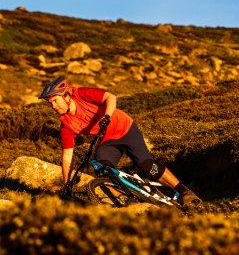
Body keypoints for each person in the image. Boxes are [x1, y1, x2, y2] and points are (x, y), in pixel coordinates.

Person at [39, 76, 201, 207]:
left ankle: (185, 192)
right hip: (108, 140)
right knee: (103, 168)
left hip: (126, 129)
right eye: (50, 103)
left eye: (55, 101)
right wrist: (67, 183)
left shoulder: (81, 94)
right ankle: (131, 196)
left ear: (66, 96)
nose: (53, 106)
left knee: (146, 165)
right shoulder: (66, 124)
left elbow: (110, 97)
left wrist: (106, 117)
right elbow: (67, 156)